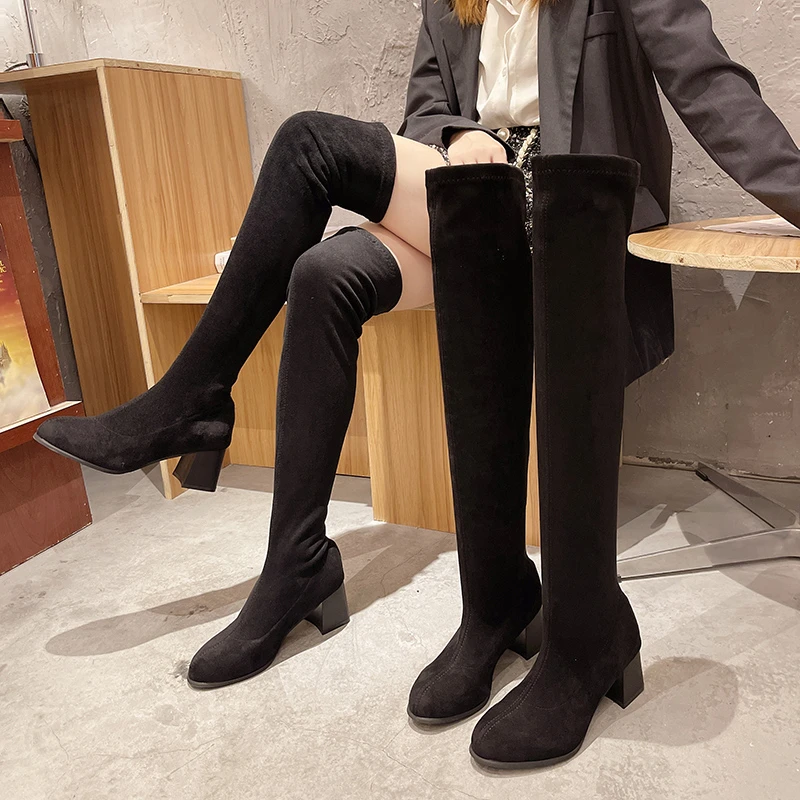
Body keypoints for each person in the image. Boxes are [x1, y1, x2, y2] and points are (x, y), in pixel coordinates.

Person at [34, 0, 800, 769]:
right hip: (471, 195)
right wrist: (459, 135)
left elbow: (709, 83)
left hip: (573, 205)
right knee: (323, 273)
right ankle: (307, 565)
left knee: (310, 144)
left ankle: (196, 400)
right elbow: (425, 111)